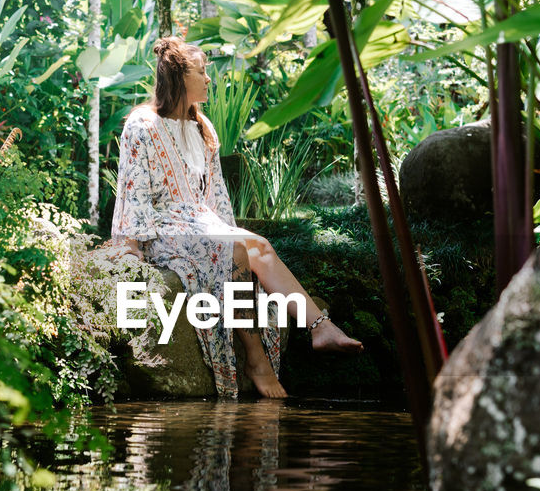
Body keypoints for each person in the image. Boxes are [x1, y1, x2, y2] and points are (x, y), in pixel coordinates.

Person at [111, 35, 362, 399]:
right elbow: (131, 190)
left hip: (202, 224)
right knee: (238, 251)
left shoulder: (204, 128)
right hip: (163, 229)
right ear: (179, 78)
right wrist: (131, 247)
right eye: (201, 71)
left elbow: (215, 199)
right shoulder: (143, 124)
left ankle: (320, 328)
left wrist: (229, 233)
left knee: (256, 246)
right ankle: (256, 359)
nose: (208, 79)